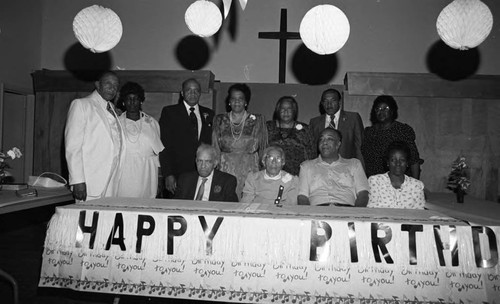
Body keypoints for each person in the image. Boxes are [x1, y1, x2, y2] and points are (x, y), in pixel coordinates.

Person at [65, 71, 123, 201]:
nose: (112, 88)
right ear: (97, 85)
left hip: (112, 182)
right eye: (108, 84)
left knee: (108, 220)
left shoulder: (113, 109)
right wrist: (77, 181)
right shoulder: (81, 105)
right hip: (90, 183)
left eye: (115, 85)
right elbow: (72, 147)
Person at [159, 78, 214, 196]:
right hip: (177, 175)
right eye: (189, 90)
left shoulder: (209, 114)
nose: (193, 93)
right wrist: (168, 174)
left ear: (200, 93)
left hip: (201, 173)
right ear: (182, 93)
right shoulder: (170, 112)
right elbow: (164, 146)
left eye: (196, 90)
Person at [212, 83, 268, 198]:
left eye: (240, 99)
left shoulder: (258, 120)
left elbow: (263, 149)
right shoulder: (219, 119)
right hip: (225, 171)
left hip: (250, 172)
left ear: (246, 101)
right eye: (233, 98)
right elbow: (215, 148)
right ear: (229, 101)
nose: (237, 102)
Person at [114, 82, 164, 198]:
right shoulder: (116, 123)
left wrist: (159, 178)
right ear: (123, 102)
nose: (132, 102)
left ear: (141, 101)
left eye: (135, 99)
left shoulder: (151, 123)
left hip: (147, 172)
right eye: (129, 99)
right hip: (125, 172)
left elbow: (157, 154)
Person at [298, 128, 369, 206]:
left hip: (347, 211)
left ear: (338, 144)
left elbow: (363, 193)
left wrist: (355, 215)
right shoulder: (306, 166)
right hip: (317, 212)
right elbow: (302, 196)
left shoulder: (354, 164)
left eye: (330, 139)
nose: (324, 142)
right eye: (321, 139)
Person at [361, 95, 421, 179]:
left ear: (392, 111)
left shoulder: (402, 130)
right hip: (375, 182)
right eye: (378, 109)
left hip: (398, 182)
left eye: (386, 108)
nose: (381, 112)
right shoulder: (368, 132)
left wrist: (415, 183)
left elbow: (414, 160)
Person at [309, 88, 364, 162]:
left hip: (347, 168)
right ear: (321, 103)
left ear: (340, 102)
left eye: (333, 100)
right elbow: (312, 150)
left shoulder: (353, 118)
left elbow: (360, 147)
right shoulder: (315, 122)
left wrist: (361, 169)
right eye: (325, 101)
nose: (329, 104)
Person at [367, 141, 425, 209]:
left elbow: (419, 214)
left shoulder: (416, 186)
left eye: (402, 160)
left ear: (407, 163)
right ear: (388, 162)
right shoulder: (375, 182)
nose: (398, 164)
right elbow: (371, 210)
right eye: (393, 160)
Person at [266, 96, 315, 176]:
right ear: (278, 110)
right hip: (271, 174)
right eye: (282, 109)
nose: (286, 112)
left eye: (289, 109)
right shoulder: (267, 127)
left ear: (294, 111)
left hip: (298, 176)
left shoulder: (305, 129)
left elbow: (312, 156)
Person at [174, 144, 238, 202]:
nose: (203, 166)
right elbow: (175, 205)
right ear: (196, 161)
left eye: (207, 161)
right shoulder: (185, 179)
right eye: (200, 161)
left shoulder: (227, 181)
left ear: (215, 163)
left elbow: (232, 207)